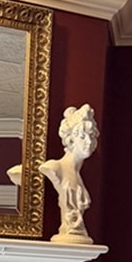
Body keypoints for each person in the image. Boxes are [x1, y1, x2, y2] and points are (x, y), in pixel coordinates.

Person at [40, 104, 99, 245]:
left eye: (92, 136)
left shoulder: (77, 175)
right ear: (71, 139)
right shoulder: (55, 167)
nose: (89, 142)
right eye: (82, 137)